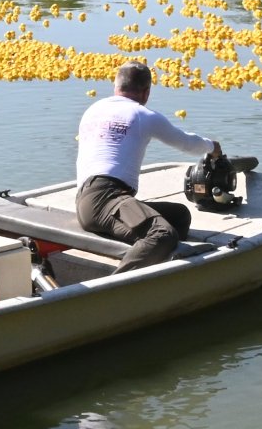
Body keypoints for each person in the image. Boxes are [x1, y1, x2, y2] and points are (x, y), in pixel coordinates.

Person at [75, 62, 221, 274]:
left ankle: (161, 271)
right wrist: (213, 147)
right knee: (162, 234)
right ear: (146, 92)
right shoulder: (143, 115)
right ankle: (112, 289)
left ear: (116, 87)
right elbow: (186, 144)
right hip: (107, 198)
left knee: (179, 216)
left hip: (85, 201)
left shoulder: (94, 109)